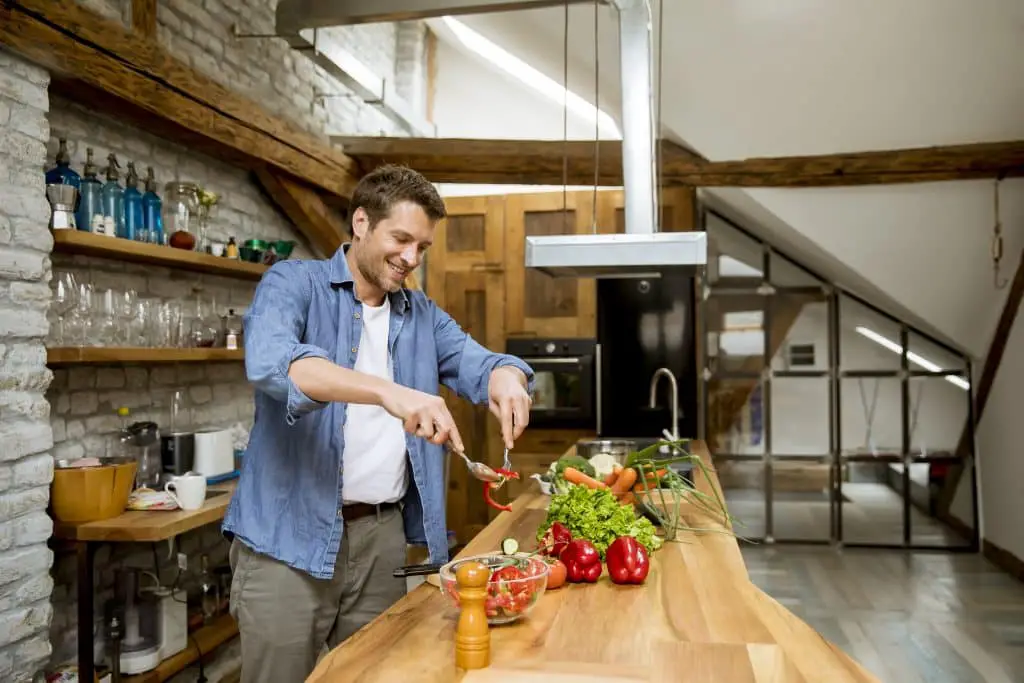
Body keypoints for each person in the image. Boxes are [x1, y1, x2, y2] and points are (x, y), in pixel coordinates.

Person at [222, 164, 534, 683]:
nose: (411, 258)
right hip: (285, 541)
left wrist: (505, 377)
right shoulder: (293, 283)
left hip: (381, 539)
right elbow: (275, 363)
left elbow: (478, 363)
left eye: (422, 248)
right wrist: (388, 392)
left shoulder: (420, 314)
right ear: (361, 223)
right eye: (402, 239)